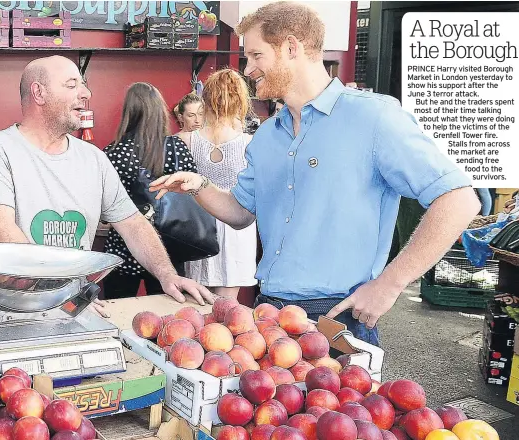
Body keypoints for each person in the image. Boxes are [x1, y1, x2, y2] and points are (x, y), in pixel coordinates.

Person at [150, 1, 480, 345]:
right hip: (269, 313)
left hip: (338, 315)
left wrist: (390, 284)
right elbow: (239, 213)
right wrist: (198, 184)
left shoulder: (374, 118)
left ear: (292, 48)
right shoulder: (266, 136)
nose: (248, 70)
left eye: (256, 56)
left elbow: (459, 200)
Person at [0, 55, 214, 312]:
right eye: (72, 85)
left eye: (83, 85)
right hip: (11, 309)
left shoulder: (93, 157)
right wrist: (61, 293)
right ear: (38, 93)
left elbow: (132, 223)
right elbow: (0, 230)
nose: (86, 93)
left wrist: (167, 274)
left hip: (73, 307)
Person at [102, 82, 198, 299]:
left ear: (129, 112)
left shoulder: (115, 152)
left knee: (120, 315)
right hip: (170, 246)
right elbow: (194, 190)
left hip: (123, 247)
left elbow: (105, 205)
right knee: (169, 318)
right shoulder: (177, 148)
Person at [177, 69, 258, 300]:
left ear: (206, 100)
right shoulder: (250, 143)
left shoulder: (185, 139)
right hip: (237, 226)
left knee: (196, 302)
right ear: (240, 101)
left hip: (198, 226)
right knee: (228, 307)